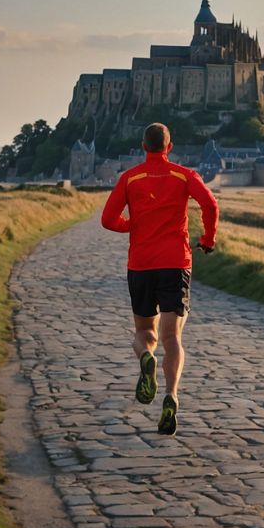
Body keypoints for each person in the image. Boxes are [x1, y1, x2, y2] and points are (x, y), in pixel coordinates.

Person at [100, 122, 219, 435]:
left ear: (143, 146)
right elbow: (210, 203)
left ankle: (146, 359)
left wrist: (134, 226)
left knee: (144, 333)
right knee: (173, 337)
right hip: (175, 263)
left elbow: (108, 220)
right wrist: (207, 238)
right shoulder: (184, 175)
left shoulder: (130, 177)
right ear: (170, 146)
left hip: (140, 264)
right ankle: (171, 396)